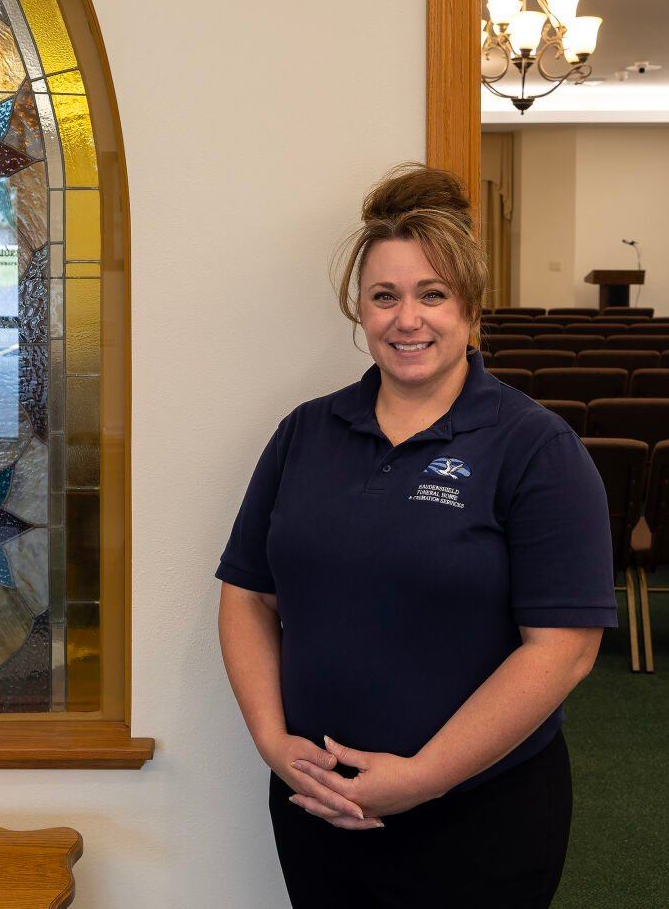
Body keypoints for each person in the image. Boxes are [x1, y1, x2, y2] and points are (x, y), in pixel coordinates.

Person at [215, 164, 617, 908]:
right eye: (384, 296)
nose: (407, 319)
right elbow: (245, 592)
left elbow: (562, 651)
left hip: (478, 816)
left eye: (432, 295)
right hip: (319, 809)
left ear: (469, 307)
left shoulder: (536, 448)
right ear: (358, 310)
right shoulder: (304, 432)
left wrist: (423, 776)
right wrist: (273, 741)